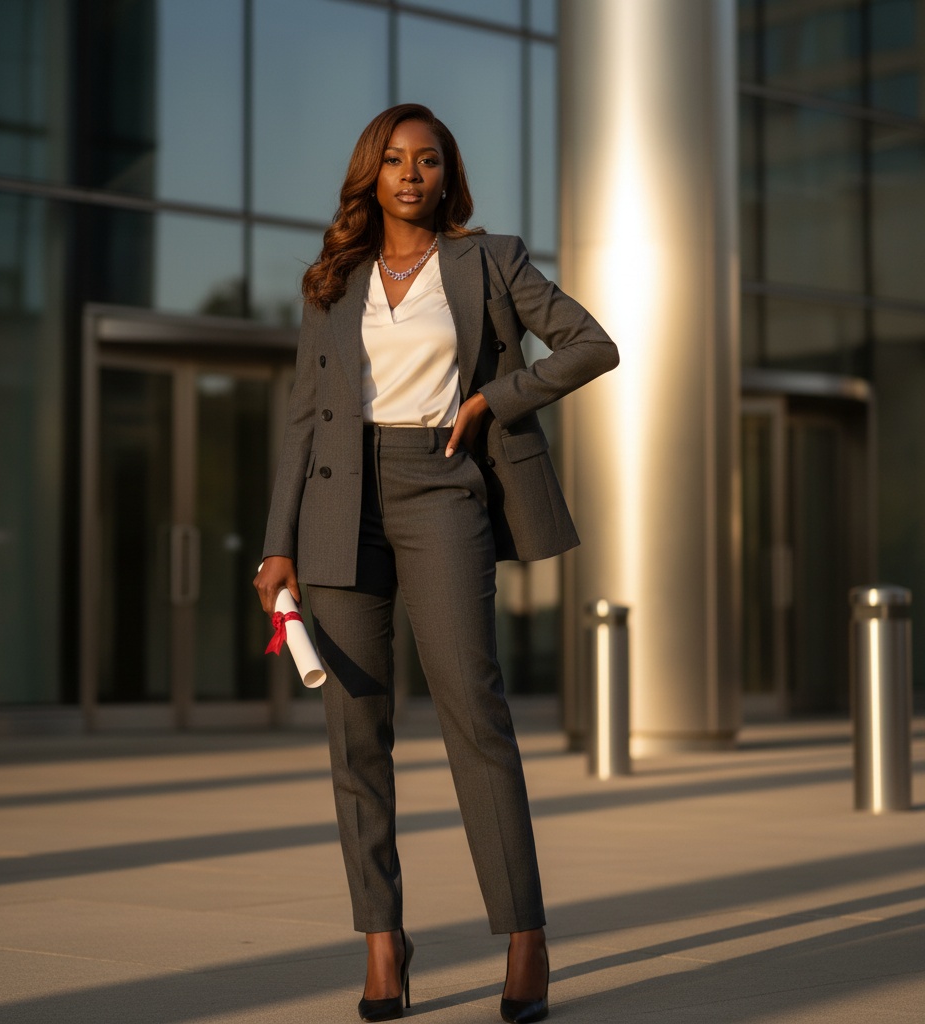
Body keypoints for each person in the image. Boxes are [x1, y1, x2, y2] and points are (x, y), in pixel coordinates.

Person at [254, 103, 618, 1023]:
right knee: (355, 735)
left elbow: (591, 344)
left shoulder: (489, 260)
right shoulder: (332, 282)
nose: (410, 174)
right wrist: (277, 542)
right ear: (370, 175)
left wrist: (495, 397)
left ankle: (525, 934)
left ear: (448, 176)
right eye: (394, 159)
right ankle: (384, 945)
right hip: (340, 503)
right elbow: (302, 417)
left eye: (428, 160)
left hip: (443, 483)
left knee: (475, 711)